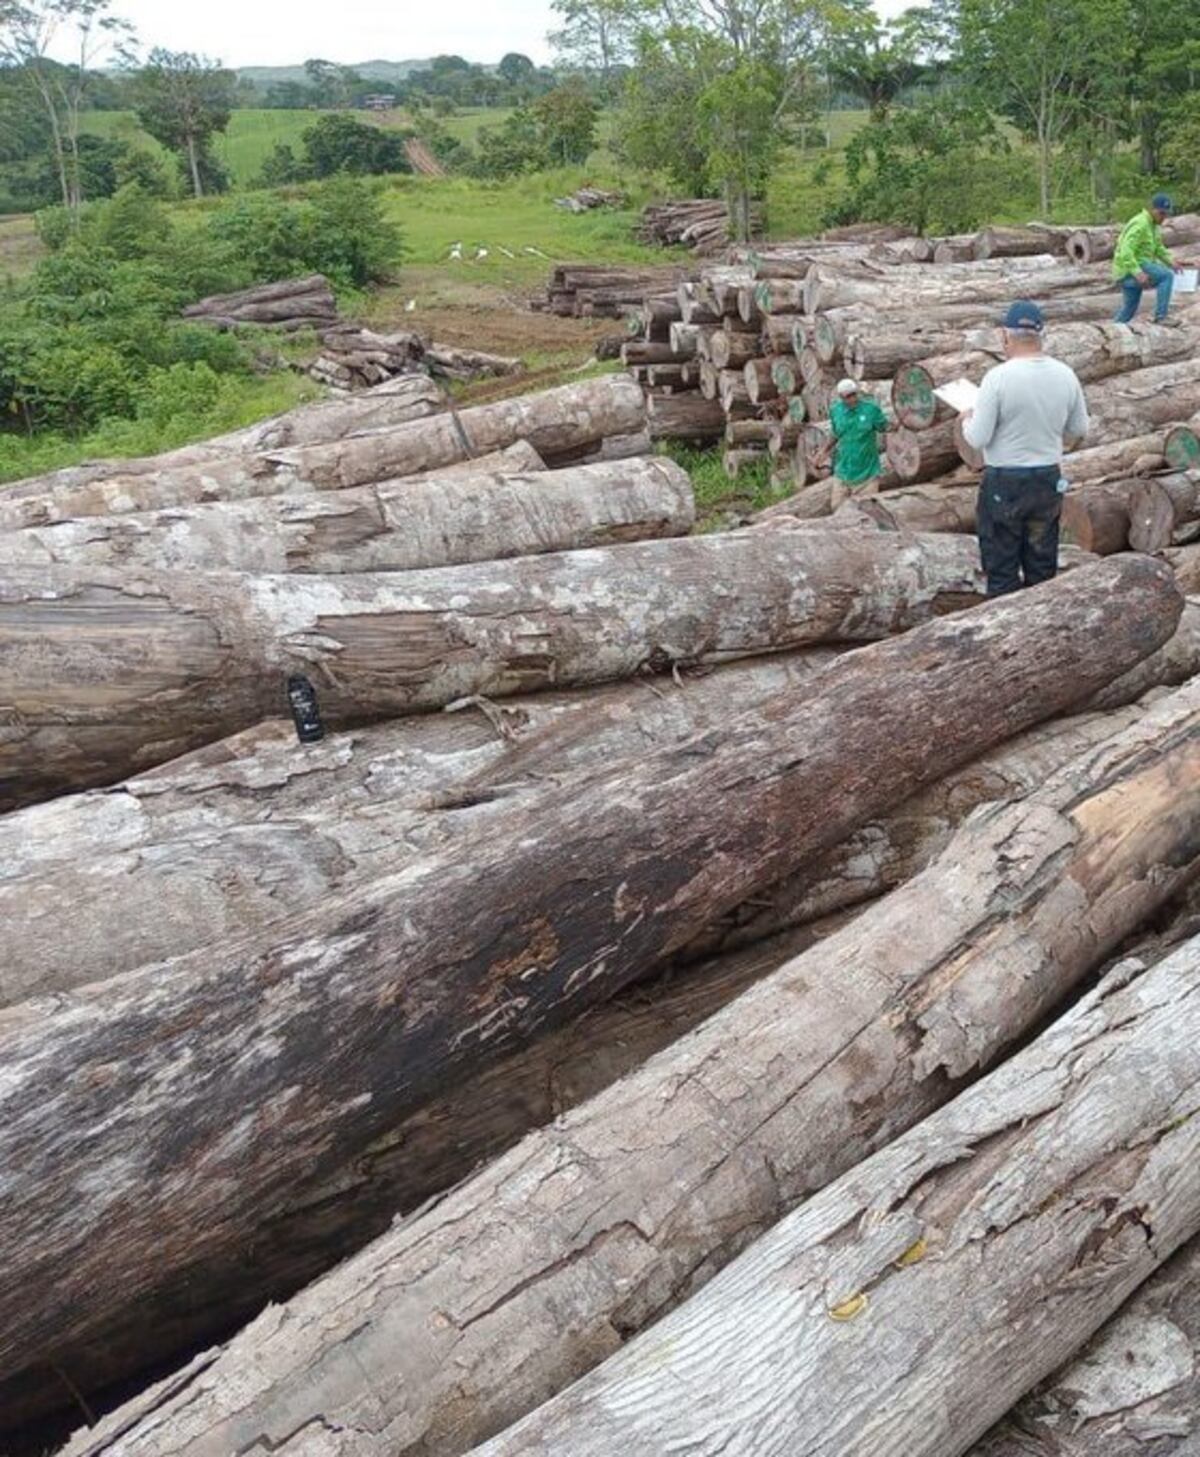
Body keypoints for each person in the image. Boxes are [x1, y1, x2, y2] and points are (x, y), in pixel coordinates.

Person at [961, 299, 1089, 597]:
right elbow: (1079, 429)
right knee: (1042, 566)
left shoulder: (998, 378)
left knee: (1002, 568)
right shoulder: (1065, 374)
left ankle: (1007, 631)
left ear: (1005, 335)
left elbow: (978, 438)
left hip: (1005, 482)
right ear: (1040, 334)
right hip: (1047, 480)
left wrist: (968, 419)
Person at [1113, 193, 1184, 324]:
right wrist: (1137, 272)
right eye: (1161, 213)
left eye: (1166, 214)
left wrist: (1171, 261)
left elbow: (1158, 247)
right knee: (1166, 276)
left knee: (1129, 308)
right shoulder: (1140, 224)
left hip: (1135, 268)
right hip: (1129, 269)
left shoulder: (1153, 225)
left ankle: (1112, 332)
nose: (1164, 217)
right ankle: (1161, 317)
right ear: (1152, 209)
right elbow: (1125, 250)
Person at [828, 379, 893, 509]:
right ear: (841, 397)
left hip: (867, 474)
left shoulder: (871, 410)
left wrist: (899, 425)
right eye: (848, 397)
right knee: (836, 508)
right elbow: (835, 434)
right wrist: (822, 452)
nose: (852, 399)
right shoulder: (836, 411)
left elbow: (885, 427)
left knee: (866, 512)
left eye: (854, 395)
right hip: (843, 471)